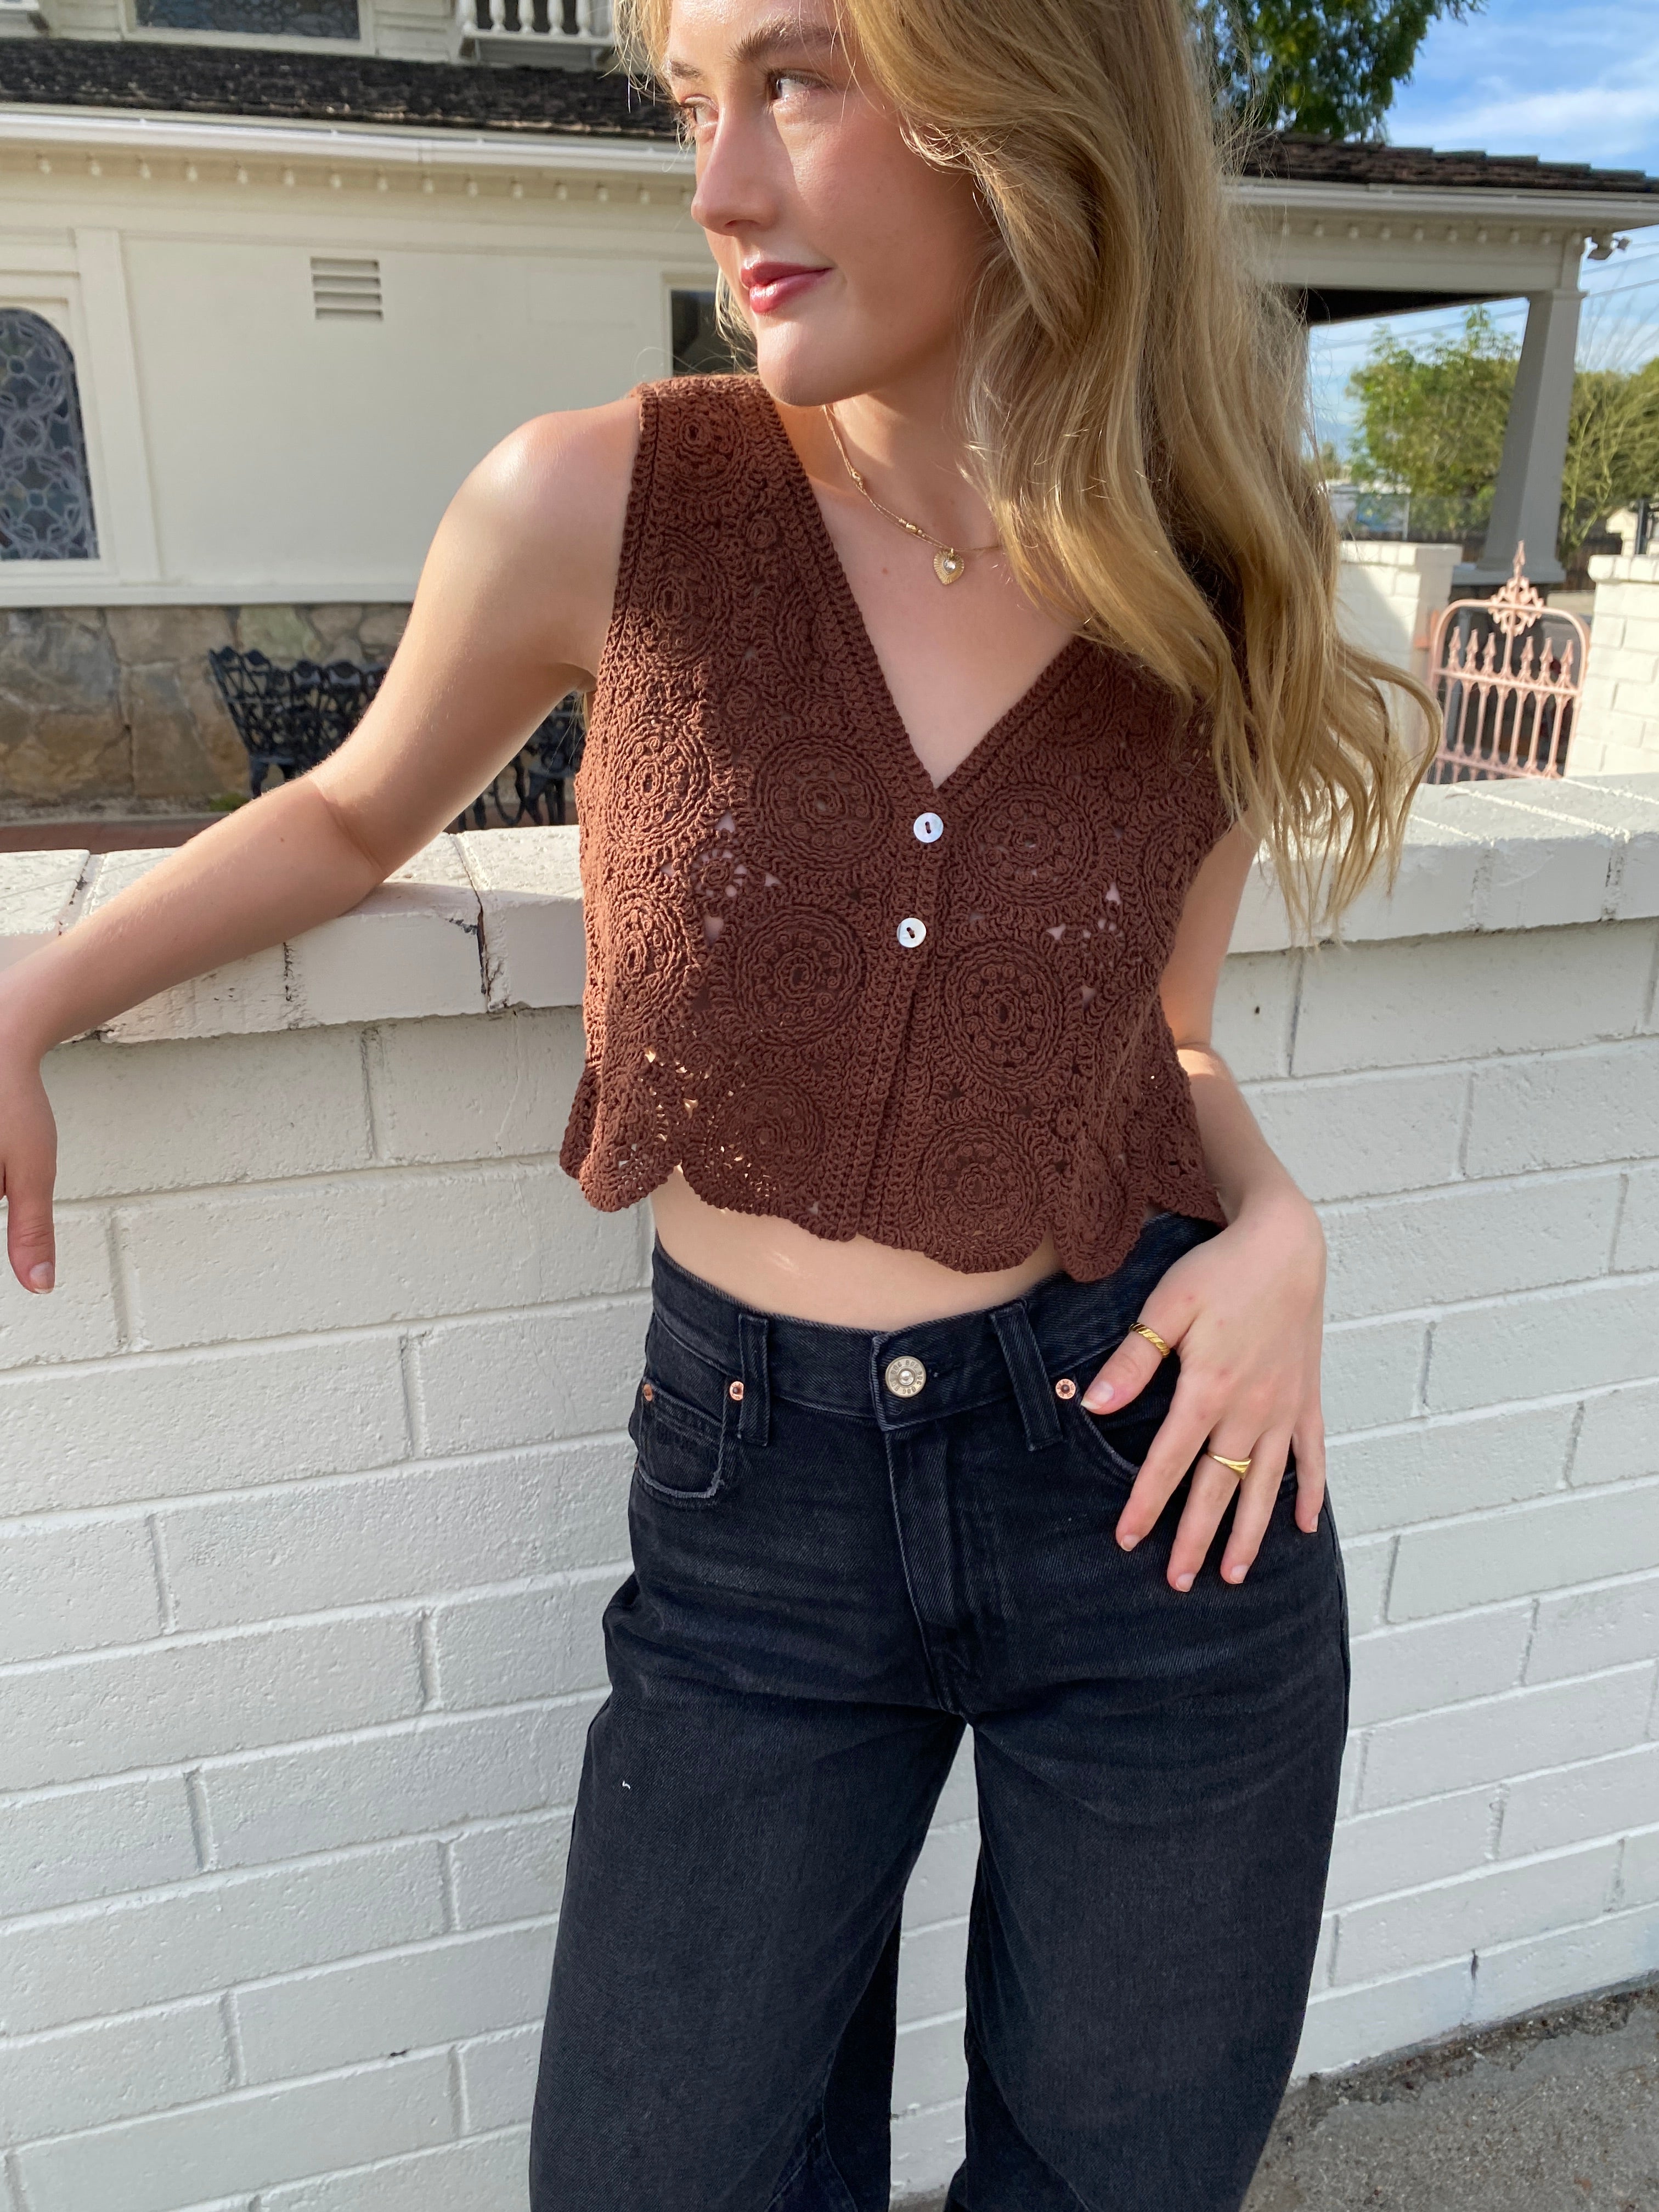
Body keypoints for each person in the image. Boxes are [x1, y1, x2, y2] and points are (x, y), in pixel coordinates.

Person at [0, 0, 1435, 2203]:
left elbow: (1156, 1038)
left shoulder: (1208, 560)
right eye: (697, 105)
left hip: (1154, 1482)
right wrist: (32, 997)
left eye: (794, 78)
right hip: (757, 1510)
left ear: (1022, 92)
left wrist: (1283, 1233)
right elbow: (356, 816)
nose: (720, 187)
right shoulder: (611, 499)